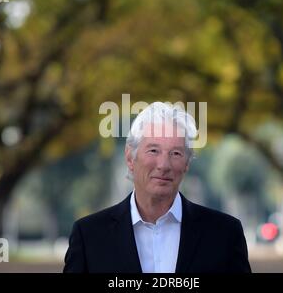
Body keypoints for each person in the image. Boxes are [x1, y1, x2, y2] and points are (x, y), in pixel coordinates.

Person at [63, 102, 251, 273]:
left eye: (176, 153)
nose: (164, 165)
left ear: (187, 163)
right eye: (153, 150)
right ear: (130, 157)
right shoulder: (89, 236)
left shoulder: (224, 234)